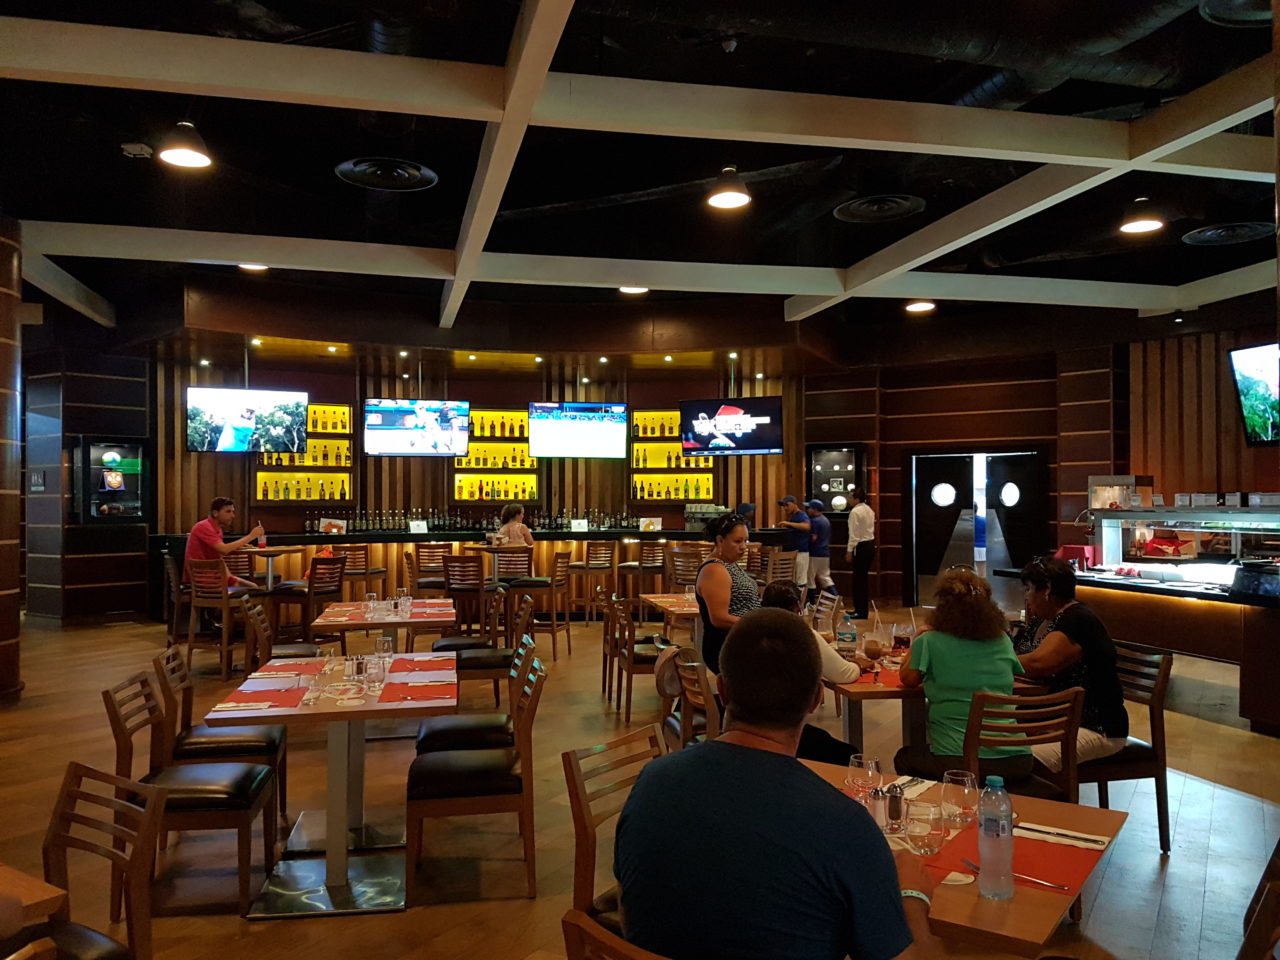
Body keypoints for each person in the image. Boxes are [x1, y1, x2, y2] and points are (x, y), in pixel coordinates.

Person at [615, 608, 940, 960]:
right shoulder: (844, 826)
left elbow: (629, 907)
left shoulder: (651, 782)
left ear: (722, 689)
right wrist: (913, 900)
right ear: (817, 698)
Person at [895, 569, 1034, 782]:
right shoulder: (1002, 640)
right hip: (1016, 759)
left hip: (958, 760)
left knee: (904, 757)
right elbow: (1012, 674)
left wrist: (918, 638)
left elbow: (908, 679)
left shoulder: (930, 641)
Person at [1017, 556, 1128, 771]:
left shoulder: (1077, 619)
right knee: (994, 748)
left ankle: (1053, 804)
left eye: (1028, 589)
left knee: (1016, 761)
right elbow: (1017, 655)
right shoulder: (1042, 619)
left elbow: (1040, 664)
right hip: (1054, 722)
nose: (1027, 596)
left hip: (1094, 727)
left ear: (1046, 589)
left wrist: (993, 662)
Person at [760, 579, 864, 765]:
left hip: (749, 726)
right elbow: (844, 674)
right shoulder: (802, 635)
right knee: (850, 755)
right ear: (796, 608)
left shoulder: (749, 631)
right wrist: (859, 664)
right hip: (784, 731)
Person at [694, 512, 760, 674]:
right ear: (720, 540)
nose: (743, 546)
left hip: (742, 641)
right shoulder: (715, 569)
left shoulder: (728, 564)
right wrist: (760, 625)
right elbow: (719, 618)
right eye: (737, 541)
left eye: (746, 540)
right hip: (728, 648)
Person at [184, 497, 264, 587]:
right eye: (228, 512)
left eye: (233, 512)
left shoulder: (217, 529)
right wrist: (251, 536)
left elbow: (220, 555)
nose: (233, 516)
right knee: (248, 589)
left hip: (213, 575)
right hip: (202, 578)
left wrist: (240, 545)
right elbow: (224, 550)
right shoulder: (204, 527)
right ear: (215, 513)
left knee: (253, 586)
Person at [844, 488, 876, 619]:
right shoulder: (869, 509)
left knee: (858, 580)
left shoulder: (855, 512)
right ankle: (861, 609)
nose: (849, 499)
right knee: (863, 579)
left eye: (851, 497)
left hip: (860, 546)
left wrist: (849, 551)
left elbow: (854, 534)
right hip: (870, 544)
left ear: (857, 498)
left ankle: (860, 611)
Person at [774, 494, 810, 588]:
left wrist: (789, 523)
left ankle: (801, 602)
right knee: (793, 581)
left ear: (794, 504)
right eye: (784, 506)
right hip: (792, 552)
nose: (785, 508)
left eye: (787, 505)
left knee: (801, 581)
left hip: (800, 552)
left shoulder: (801, 515)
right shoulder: (792, 517)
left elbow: (806, 526)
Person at [804, 499, 835, 601]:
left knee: (810, 578)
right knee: (825, 577)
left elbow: (813, 538)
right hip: (825, 553)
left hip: (814, 552)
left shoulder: (814, 521)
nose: (807, 510)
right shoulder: (825, 520)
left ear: (815, 509)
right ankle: (836, 598)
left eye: (809, 508)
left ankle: (812, 602)